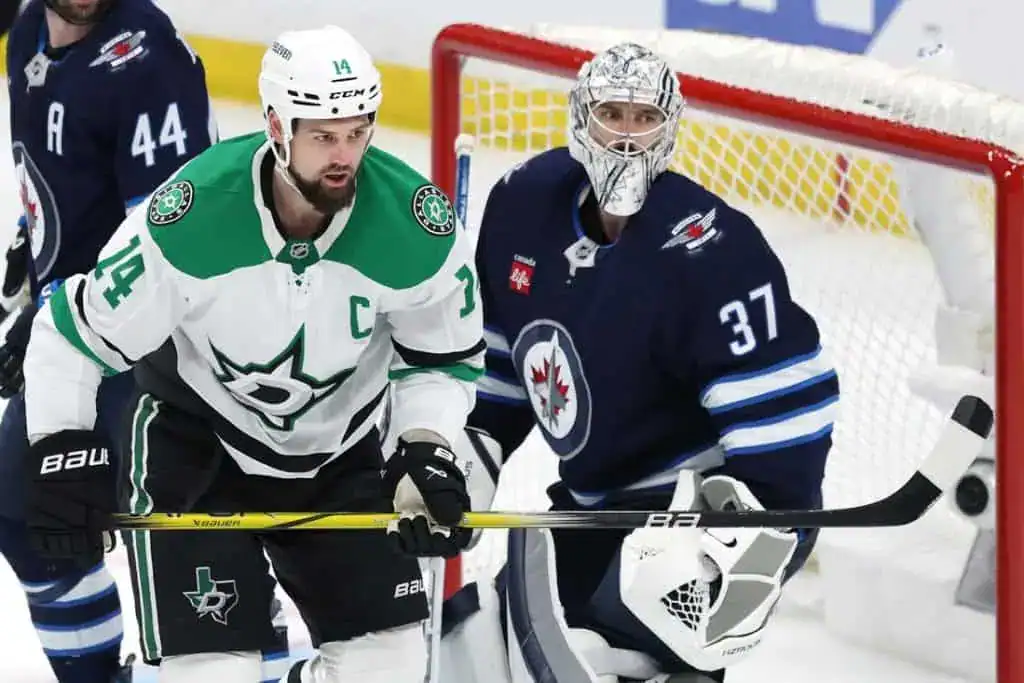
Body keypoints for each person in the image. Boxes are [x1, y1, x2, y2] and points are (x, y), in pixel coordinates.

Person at [21, 23, 483, 683]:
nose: (344, 156)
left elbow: (441, 357)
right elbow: (70, 334)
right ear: (276, 124)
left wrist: (425, 444)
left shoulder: (416, 226)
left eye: (357, 132)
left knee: (389, 669)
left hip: (340, 455)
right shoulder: (191, 217)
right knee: (214, 673)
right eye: (323, 135)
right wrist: (61, 449)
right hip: (195, 449)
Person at [440, 42, 841, 683]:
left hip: (682, 521)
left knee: (604, 668)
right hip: (587, 506)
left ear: (670, 127)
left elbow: (786, 426)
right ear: (580, 118)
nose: (626, 138)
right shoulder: (523, 205)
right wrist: (471, 455)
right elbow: (504, 365)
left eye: (644, 118)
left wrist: (756, 546)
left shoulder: (713, 249)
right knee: (470, 652)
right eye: (612, 115)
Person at [0, 1, 235, 681]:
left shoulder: (145, 62)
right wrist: (31, 265)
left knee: (183, 555)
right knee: (26, 515)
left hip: (160, 350)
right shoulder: (26, 35)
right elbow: (64, 183)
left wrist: (46, 326)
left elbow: (170, 251)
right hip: (73, 336)